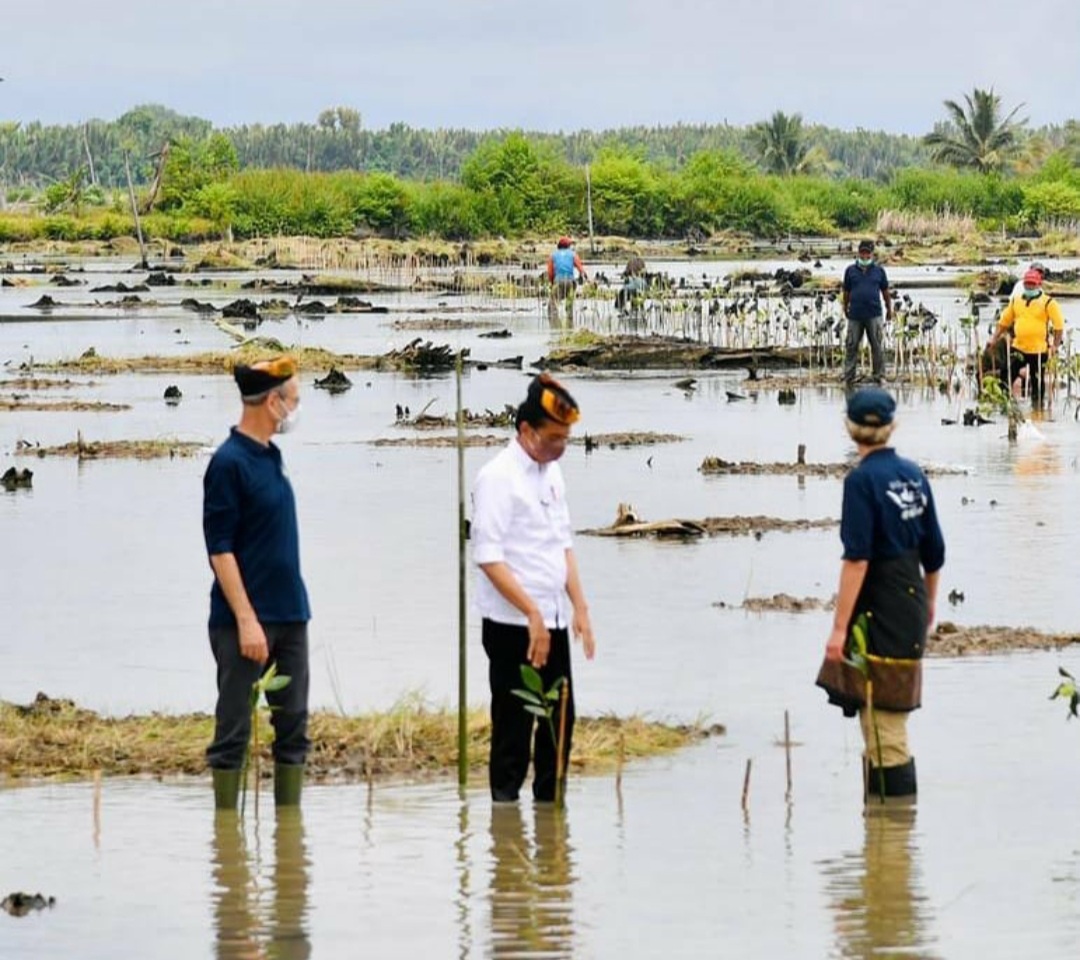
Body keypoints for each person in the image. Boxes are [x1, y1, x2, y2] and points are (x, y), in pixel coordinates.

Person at [471, 373, 596, 803]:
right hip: (512, 626)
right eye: (553, 438)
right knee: (514, 729)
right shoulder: (497, 478)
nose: (560, 447)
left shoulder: (552, 474)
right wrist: (530, 612)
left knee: (560, 724)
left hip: (553, 620)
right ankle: (505, 824)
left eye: (565, 439)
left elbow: (563, 544)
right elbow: (488, 557)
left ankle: (551, 818)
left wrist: (580, 607)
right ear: (526, 430)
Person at [815, 387, 945, 803]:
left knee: (885, 726)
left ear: (849, 429)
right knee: (877, 717)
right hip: (910, 603)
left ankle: (895, 831)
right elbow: (935, 554)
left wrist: (839, 630)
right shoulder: (914, 474)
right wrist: (929, 604)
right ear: (892, 427)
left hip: (879, 608)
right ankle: (880, 829)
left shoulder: (861, 481)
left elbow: (857, 560)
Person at [203, 357, 311, 810]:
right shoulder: (228, 464)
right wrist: (246, 620)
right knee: (234, 731)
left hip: (291, 615)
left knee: (293, 729)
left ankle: (290, 836)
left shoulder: (272, 457)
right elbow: (220, 549)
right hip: (243, 624)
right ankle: (227, 835)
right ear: (272, 402)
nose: (295, 410)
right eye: (293, 400)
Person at [988, 268, 1065, 409]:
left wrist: (1055, 345)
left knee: (1037, 383)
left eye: (1032, 284)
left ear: (1039, 284)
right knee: (1006, 374)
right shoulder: (1016, 301)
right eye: (1027, 284)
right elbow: (1004, 322)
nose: (1029, 287)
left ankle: (1038, 410)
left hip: (1039, 350)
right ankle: (1004, 406)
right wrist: (994, 338)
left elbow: (1059, 326)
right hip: (1019, 348)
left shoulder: (1049, 303)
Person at [841, 240, 893, 387]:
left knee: (877, 345)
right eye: (862, 253)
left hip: (874, 314)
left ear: (872, 254)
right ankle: (849, 376)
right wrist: (845, 307)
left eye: (867, 253)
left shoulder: (879, 271)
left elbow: (885, 291)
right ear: (858, 253)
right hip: (855, 315)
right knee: (851, 345)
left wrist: (889, 309)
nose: (865, 256)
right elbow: (846, 291)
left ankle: (879, 375)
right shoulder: (850, 271)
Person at [546, 236, 588, 324]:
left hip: (558, 281)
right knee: (569, 305)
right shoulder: (573, 254)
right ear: (568, 246)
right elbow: (581, 269)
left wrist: (552, 282)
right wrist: (585, 277)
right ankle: (570, 323)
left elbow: (550, 272)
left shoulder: (553, 255)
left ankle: (554, 324)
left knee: (552, 304)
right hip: (571, 282)